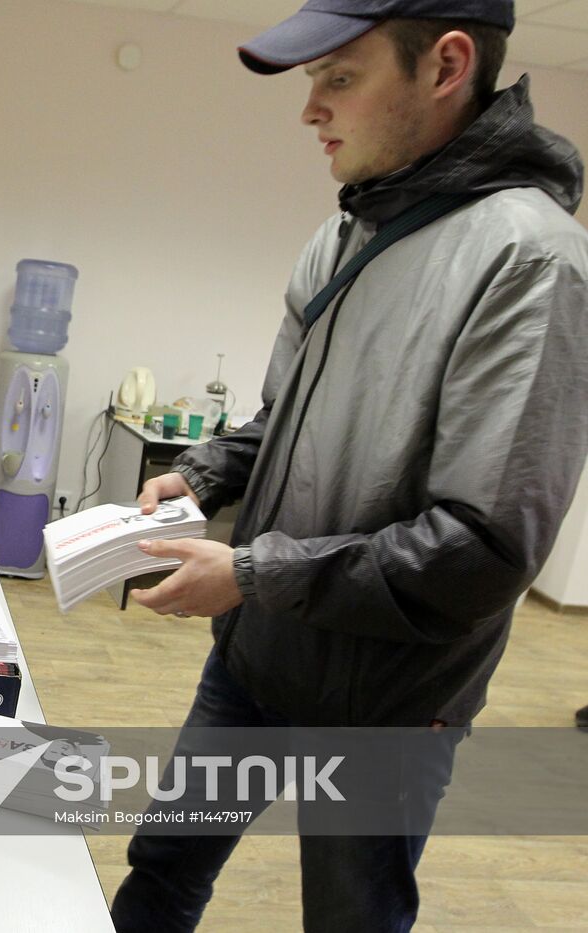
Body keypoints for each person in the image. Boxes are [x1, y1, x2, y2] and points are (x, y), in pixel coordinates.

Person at [109, 2, 588, 931]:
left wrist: (249, 572)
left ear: (445, 66)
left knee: (350, 917)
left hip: (386, 705)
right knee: (163, 865)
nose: (311, 111)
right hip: (258, 659)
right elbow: (284, 420)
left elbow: (484, 548)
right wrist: (203, 474)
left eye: (339, 78)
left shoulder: (531, 260)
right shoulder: (342, 236)